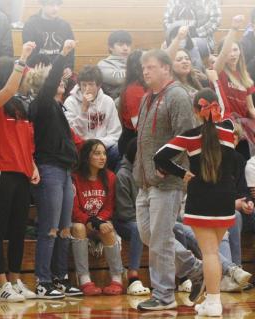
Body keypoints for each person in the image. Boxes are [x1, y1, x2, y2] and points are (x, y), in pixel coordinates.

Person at [154, 88, 240, 316]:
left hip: (201, 199)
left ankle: (213, 302)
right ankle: (211, 300)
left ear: (195, 110)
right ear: (217, 108)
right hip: (225, 199)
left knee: (209, 254)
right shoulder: (230, 131)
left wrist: (182, 173)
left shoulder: (190, 136)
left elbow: (159, 156)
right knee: (212, 253)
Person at [134, 49, 204, 311]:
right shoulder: (146, 98)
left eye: (150, 67)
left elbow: (186, 138)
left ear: (166, 68)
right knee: (149, 235)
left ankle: (163, 295)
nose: (146, 72)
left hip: (167, 180)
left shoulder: (177, 96)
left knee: (161, 238)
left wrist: (171, 169)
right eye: (144, 68)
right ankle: (196, 270)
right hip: (145, 180)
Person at [0, 42, 39, 302]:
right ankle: (1, 282)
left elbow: (26, 140)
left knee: (18, 229)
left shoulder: (21, 106)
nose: (24, 81)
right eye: (20, 75)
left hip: (22, 172)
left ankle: (15, 280)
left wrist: (32, 165)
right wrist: (22, 59)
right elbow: (8, 90)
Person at [30, 39, 82, 299]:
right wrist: (62, 55)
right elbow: (52, 81)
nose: (60, 83)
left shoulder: (58, 108)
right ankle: (43, 280)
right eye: (54, 80)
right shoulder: (41, 104)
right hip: (49, 169)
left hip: (63, 170)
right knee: (49, 228)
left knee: (64, 228)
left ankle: (60, 277)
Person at [71, 140, 124, 296]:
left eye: (104, 153)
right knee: (78, 227)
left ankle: (117, 279)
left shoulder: (110, 177)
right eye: (97, 153)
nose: (102, 157)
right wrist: (92, 222)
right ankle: (84, 279)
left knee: (108, 228)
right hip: (83, 223)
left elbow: (109, 207)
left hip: (99, 222)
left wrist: (99, 222)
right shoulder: (75, 178)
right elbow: (74, 211)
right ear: (86, 157)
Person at [64, 65, 122, 171]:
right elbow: (72, 133)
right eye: (83, 85)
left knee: (120, 151)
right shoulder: (70, 102)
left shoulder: (107, 101)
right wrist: (84, 110)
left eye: (91, 85)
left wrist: (98, 146)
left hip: (104, 148)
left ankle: (112, 183)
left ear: (99, 86)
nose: (87, 89)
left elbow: (115, 134)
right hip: (81, 149)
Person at [112, 138, 151, 296]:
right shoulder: (122, 175)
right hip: (124, 223)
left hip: (146, 219)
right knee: (137, 229)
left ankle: (184, 277)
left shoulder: (147, 172)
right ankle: (133, 276)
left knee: (179, 228)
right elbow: (124, 213)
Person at [213, 15, 255, 157]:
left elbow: (250, 108)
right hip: (226, 127)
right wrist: (234, 28)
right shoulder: (218, 72)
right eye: (229, 50)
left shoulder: (245, 77)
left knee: (244, 164)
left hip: (243, 130)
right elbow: (223, 54)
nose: (232, 54)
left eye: (235, 50)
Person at [22, 0, 75, 78]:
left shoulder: (65, 25)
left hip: (59, 72)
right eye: (51, 4)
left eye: (58, 5)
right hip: (38, 73)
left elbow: (70, 51)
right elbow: (31, 55)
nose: (55, 9)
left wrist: (68, 67)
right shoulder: (31, 24)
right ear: (42, 4)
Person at [117, 50, 146, 156]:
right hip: (133, 143)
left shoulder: (144, 86)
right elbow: (139, 125)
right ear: (140, 67)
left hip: (140, 139)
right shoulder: (134, 90)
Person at [97, 30, 132, 100]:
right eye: (120, 45)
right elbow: (117, 79)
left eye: (128, 45)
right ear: (110, 47)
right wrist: (137, 71)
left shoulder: (134, 62)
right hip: (114, 105)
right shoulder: (103, 64)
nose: (125, 48)